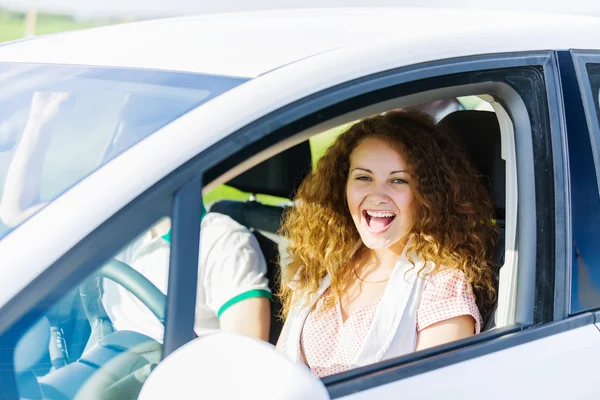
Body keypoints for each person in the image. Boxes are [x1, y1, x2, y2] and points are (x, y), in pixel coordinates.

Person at [0, 91, 272, 342]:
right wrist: (39, 122)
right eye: (119, 146)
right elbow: (18, 213)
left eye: (130, 146)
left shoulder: (223, 241)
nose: (118, 159)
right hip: (112, 360)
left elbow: (245, 363)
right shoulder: (120, 220)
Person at [276, 110, 498, 377]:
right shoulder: (321, 264)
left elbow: (436, 389)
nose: (377, 195)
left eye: (398, 180)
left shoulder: (442, 286)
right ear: (342, 185)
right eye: (363, 177)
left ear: (427, 196)